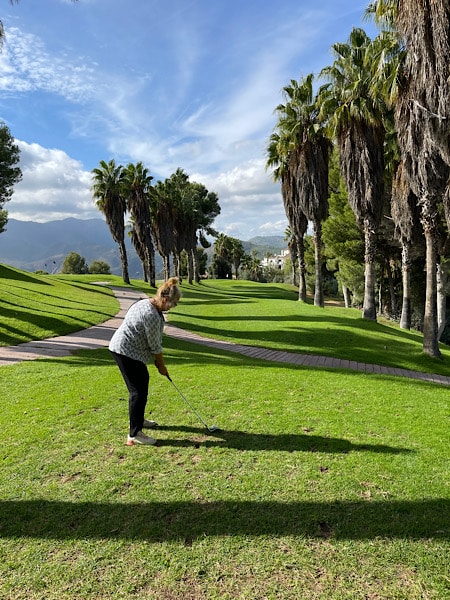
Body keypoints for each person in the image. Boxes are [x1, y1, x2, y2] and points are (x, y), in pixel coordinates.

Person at [109, 277, 181, 446]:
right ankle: (134, 434)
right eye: (174, 303)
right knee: (137, 391)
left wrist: (158, 363)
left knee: (141, 386)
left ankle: (138, 420)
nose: (174, 307)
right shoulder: (152, 316)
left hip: (124, 349)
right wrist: (161, 366)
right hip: (125, 352)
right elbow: (156, 346)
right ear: (165, 299)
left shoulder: (146, 303)